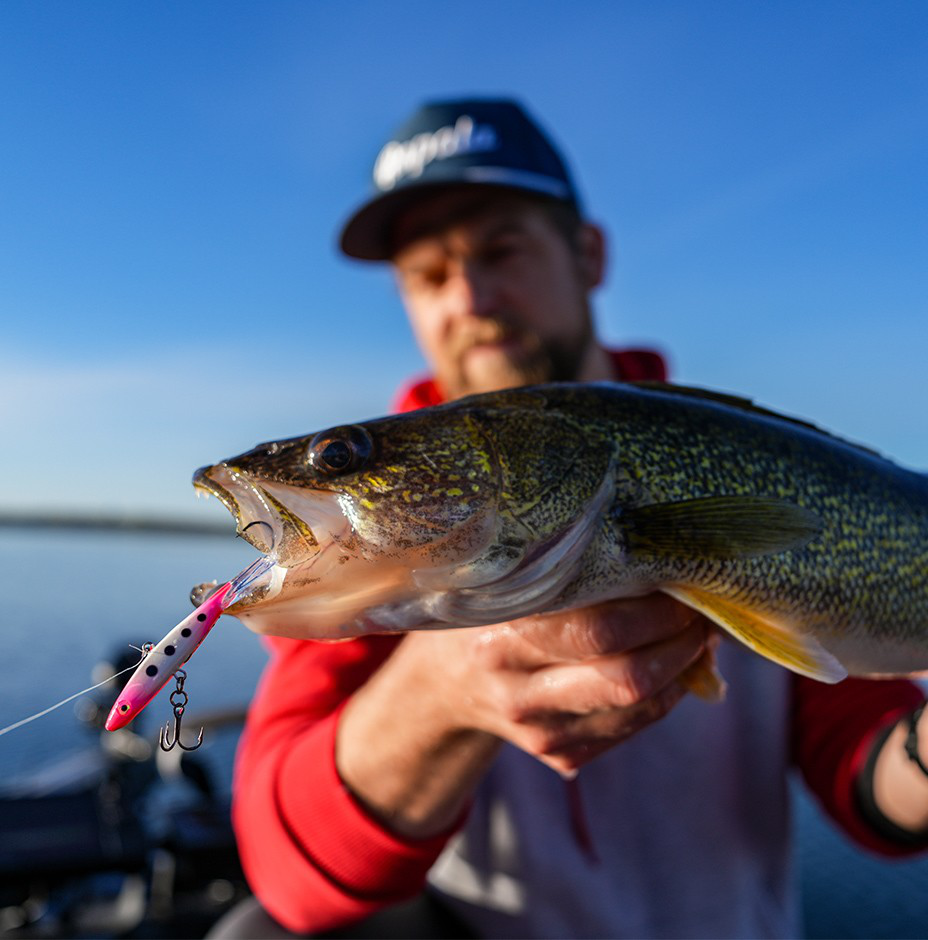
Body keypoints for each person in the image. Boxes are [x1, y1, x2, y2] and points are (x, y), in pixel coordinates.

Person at [214, 99, 928, 939]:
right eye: (428, 277)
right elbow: (286, 873)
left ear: (587, 254)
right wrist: (438, 699)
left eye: (500, 251)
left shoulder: (718, 451)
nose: (469, 297)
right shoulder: (378, 560)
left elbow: (864, 763)